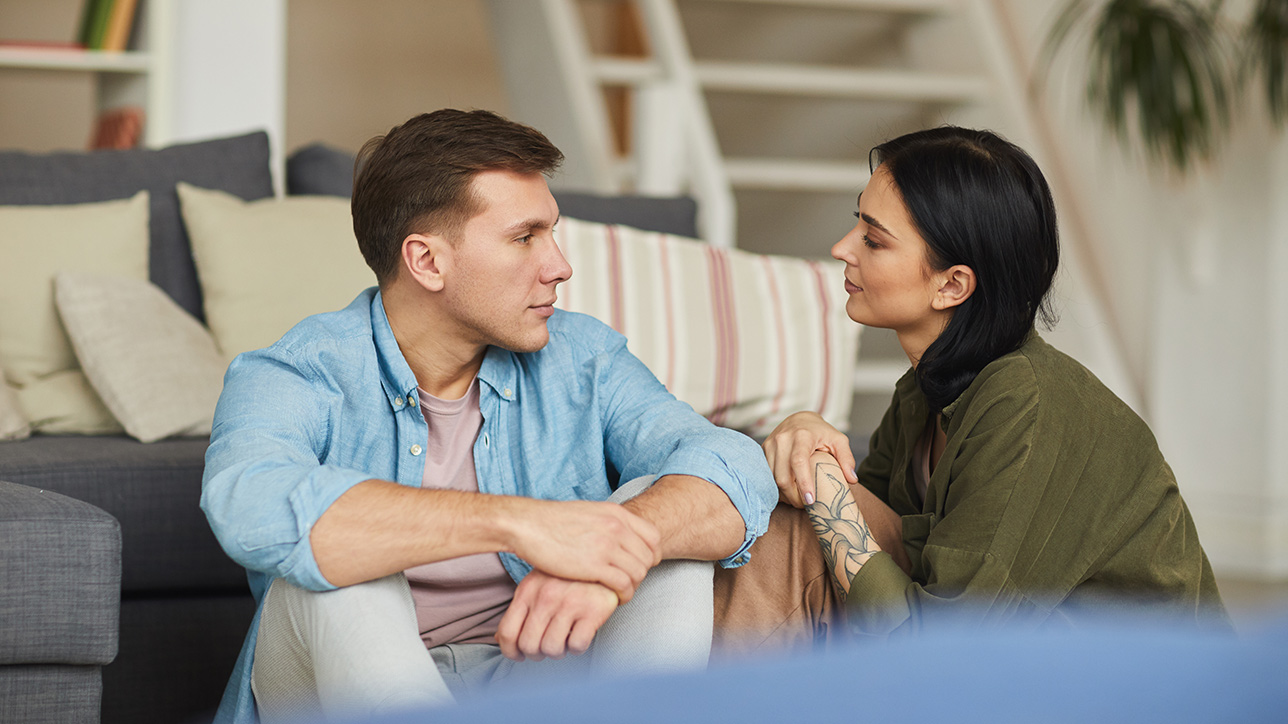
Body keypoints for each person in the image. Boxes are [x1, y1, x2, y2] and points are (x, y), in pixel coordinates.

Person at [200, 109, 777, 724]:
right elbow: (246, 503)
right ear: (427, 261)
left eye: (551, 234)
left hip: (540, 678)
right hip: (339, 690)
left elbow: (730, 464)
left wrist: (612, 553)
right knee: (345, 560)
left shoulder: (584, 357)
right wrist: (519, 525)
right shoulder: (295, 372)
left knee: (651, 520)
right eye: (525, 237)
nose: (559, 265)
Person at [750, 126, 1230, 637]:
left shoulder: (1024, 406)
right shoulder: (923, 389)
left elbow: (941, 649)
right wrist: (806, 435)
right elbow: (859, 537)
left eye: (873, 239)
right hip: (1016, 670)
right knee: (791, 520)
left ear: (952, 285)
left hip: (1130, 694)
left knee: (805, 516)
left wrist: (822, 491)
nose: (842, 248)